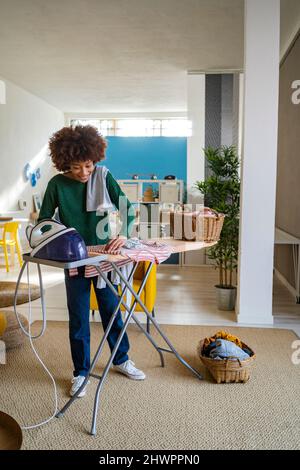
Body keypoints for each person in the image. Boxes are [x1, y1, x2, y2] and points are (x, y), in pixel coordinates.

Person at [38, 125, 145, 398]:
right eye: (76, 167)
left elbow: (127, 210)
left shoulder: (104, 176)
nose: (84, 173)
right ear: (64, 164)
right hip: (73, 257)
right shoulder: (56, 185)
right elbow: (44, 223)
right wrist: (57, 240)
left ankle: (121, 359)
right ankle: (81, 373)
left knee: (112, 311)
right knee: (78, 316)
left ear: (94, 160)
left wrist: (122, 234)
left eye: (87, 166)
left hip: (105, 255)